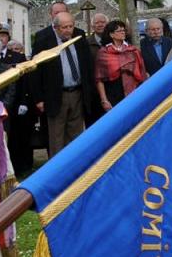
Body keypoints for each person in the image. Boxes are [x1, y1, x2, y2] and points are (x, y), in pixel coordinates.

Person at [35, 11, 96, 155]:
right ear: (55, 27)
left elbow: (88, 66)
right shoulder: (44, 42)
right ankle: (58, 170)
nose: (68, 30)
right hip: (56, 95)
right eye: (64, 27)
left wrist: (88, 90)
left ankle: (75, 166)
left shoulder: (79, 38)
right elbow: (36, 72)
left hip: (77, 93)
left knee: (76, 133)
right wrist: (39, 98)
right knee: (56, 136)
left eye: (71, 26)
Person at [94, 19, 146, 114]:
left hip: (132, 91)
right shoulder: (103, 53)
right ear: (111, 34)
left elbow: (141, 72)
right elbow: (99, 79)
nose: (123, 33)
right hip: (113, 92)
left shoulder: (133, 50)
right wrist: (104, 100)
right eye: (119, 31)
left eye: (123, 30)